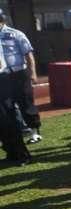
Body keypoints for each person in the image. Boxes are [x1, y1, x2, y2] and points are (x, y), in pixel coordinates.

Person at [0, 9, 40, 165]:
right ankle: (11, 152)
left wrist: (33, 73)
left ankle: (23, 153)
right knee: (4, 117)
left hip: (18, 75)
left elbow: (28, 54)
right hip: (2, 79)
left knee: (25, 106)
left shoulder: (15, 34)